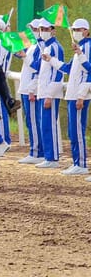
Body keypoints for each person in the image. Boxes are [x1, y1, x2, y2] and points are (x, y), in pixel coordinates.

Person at [58, 18, 90, 175]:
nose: (75, 33)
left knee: (78, 130)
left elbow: (90, 70)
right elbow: (68, 68)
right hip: (71, 95)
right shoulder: (80, 47)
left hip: (79, 96)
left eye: (77, 30)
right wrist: (51, 60)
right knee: (73, 130)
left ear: (86, 31)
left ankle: (82, 164)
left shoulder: (87, 46)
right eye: (74, 30)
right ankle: (76, 162)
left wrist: (81, 96)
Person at [33, 19, 65, 169]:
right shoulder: (45, 47)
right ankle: (48, 156)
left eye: (45, 28)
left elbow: (59, 72)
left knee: (49, 125)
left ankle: (53, 158)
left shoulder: (55, 47)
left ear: (53, 30)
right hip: (43, 92)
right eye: (40, 29)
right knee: (43, 124)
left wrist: (50, 94)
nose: (42, 31)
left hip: (50, 94)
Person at [16, 19, 45, 165]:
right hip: (26, 88)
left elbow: (36, 69)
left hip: (31, 90)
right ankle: (35, 151)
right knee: (30, 120)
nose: (31, 30)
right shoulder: (33, 45)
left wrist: (33, 90)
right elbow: (21, 55)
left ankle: (37, 152)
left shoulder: (40, 46)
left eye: (34, 28)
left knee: (33, 121)